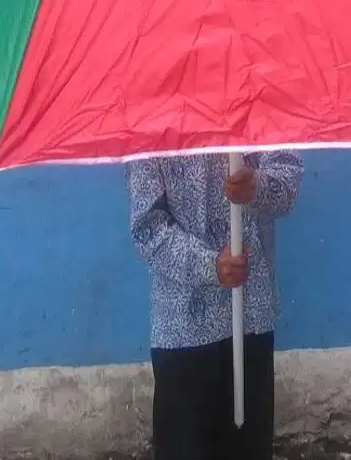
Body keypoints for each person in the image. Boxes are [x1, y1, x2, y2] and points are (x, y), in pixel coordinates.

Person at [127, 150, 304, 460]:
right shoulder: (151, 129)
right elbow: (148, 228)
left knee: (249, 447)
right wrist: (210, 266)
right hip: (183, 325)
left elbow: (288, 180)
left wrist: (258, 187)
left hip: (250, 316)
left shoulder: (259, 120)